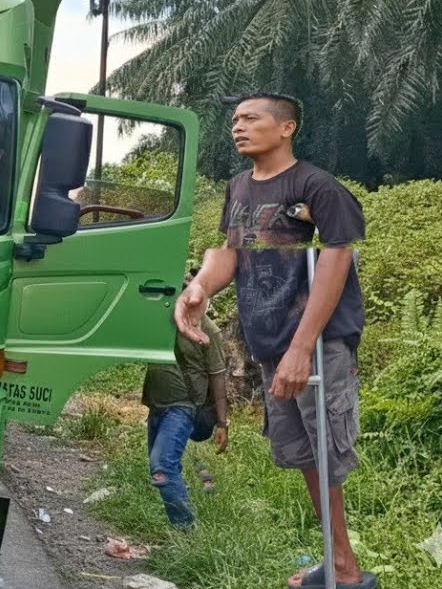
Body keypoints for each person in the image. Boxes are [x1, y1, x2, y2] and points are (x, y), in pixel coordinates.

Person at [174, 93, 371, 589]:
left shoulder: (316, 187)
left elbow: (335, 259)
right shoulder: (239, 187)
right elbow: (228, 252)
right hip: (269, 340)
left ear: (287, 128)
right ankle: (339, 561)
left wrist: (303, 347)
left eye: (251, 118)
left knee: (326, 448)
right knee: (304, 452)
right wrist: (199, 286)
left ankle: (343, 567)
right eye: (235, 119)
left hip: (315, 343)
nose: (238, 127)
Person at [142, 271, 229, 529]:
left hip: (182, 407)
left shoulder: (206, 328)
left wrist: (222, 423)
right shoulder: (157, 318)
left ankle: (187, 531)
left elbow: (218, 375)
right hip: (157, 405)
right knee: (163, 469)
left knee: (163, 469)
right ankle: (183, 528)